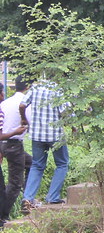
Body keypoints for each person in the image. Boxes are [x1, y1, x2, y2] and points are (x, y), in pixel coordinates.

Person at [21, 78, 72, 207]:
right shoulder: (58, 90)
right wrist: (73, 125)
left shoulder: (35, 88)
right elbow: (65, 112)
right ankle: (53, 197)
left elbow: (22, 105)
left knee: (37, 165)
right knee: (62, 164)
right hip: (55, 135)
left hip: (37, 135)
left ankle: (27, 198)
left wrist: (24, 119)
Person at [0, 78, 31, 226]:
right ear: (28, 87)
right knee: (15, 182)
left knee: (32, 163)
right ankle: (3, 215)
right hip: (13, 144)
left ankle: (29, 195)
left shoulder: (5, 103)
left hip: (5, 145)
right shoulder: (26, 102)